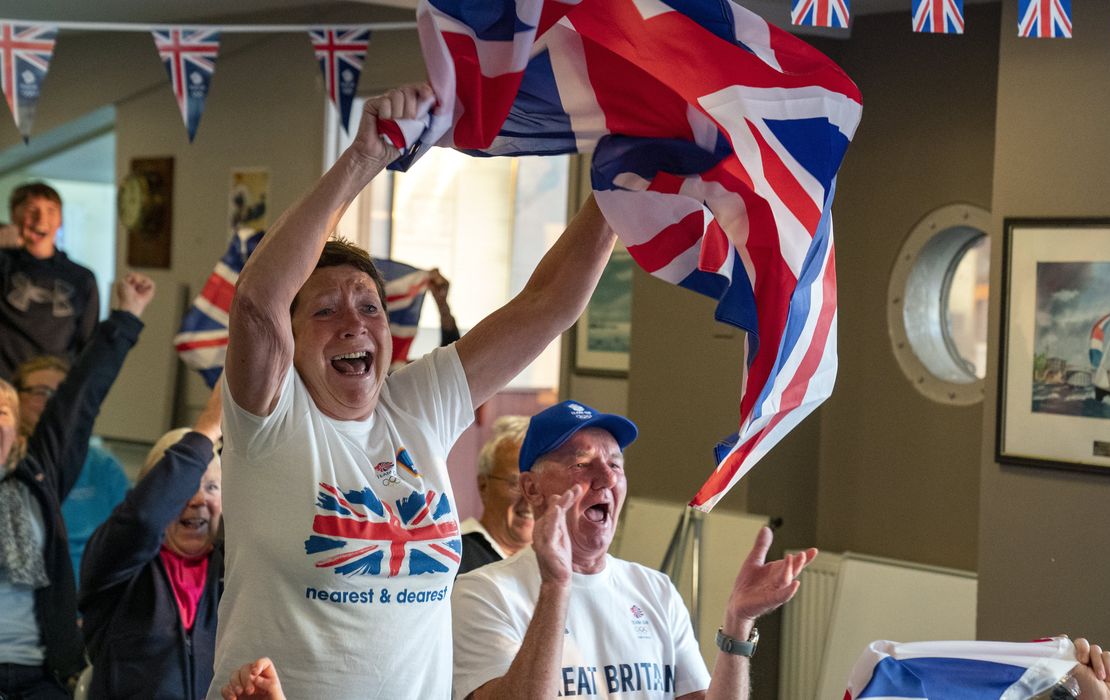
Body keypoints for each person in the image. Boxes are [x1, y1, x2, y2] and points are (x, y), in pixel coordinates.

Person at [209, 83, 616, 699]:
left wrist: (620, 181)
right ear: (291, 344)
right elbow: (258, 304)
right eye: (324, 311)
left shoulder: (416, 405)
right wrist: (365, 158)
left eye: (369, 306)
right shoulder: (270, 419)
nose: (353, 323)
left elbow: (547, 303)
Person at [451, 400, 817, 700]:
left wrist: (738, 625)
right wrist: (556, 585)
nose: (607, 478)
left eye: (614, 464)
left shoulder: (655, 591)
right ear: (531, 489)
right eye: (581, 464)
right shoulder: (482, 594)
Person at [0, 272, 153, 698]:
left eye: (3, 411)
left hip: (40, 673)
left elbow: (79, 398)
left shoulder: (37, 475)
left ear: (17, 429)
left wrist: (124, 318)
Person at [78, 384, 224, 700]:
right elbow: (144, 520)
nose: (199, 499)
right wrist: (208, 429)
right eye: (184, 487)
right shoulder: (115, 562)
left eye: (212, 487)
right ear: (155, 492)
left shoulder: (234, 572)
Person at [11, 355, 131, 583]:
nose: (51, 403)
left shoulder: (103, 466)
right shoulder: (6, 465)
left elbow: (127, 541)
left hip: (87, 600)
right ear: (16, 399)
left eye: (62, 395)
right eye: (40, 392)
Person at [0, 183, 100, 378]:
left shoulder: (81, 278)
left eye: (51, 210)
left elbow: (88, 344)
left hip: (54, 388)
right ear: (14, 215)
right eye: (31, 210)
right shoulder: (3, 265)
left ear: (60, 219)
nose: (41, 219)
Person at [459, 415, 532, 575]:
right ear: (484, 486)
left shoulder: (556, 563)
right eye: (517, 485)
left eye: (540, 487)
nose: (530, 500)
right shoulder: (452, 555)